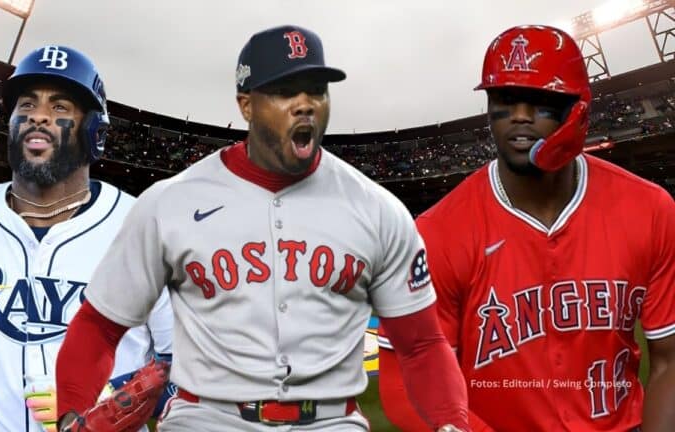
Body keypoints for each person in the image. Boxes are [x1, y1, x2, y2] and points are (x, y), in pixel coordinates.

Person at [55, 25, 470, 432]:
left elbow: (421, 344)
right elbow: (98, 326)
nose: (305, 104)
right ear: (246, 105)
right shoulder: (171, 203)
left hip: (330, 420)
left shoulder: (378, 210)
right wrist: (71, 414)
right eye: (286, 91)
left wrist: (453, 423)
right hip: (206, 417)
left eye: (316, 90)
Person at [378, 25, 675, 432]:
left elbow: (669, 361)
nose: (519, 115)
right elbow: (407, 378)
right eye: (504, 99)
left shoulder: (650, 210)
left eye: (539, 101)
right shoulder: (437, 233)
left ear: (578, 110)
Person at [0, 45, 174, 432]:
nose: (39, 116)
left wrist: (112, 396)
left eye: (61, 107)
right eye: (26, 104)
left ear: (94, 131)